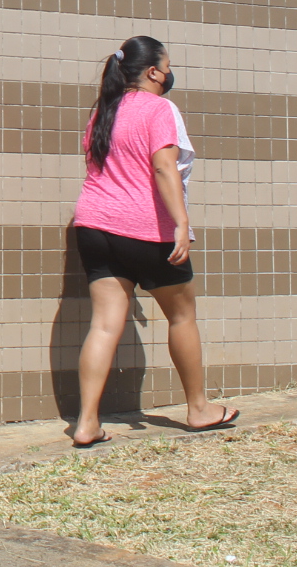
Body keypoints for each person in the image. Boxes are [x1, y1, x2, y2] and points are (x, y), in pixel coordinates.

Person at [68, 35, 237, 447]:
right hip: (146, 228)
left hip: (93, 226)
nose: (169, 73)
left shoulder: (102, 111)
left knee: (105, 325)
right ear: (153, 72)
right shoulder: (159, 108)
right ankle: (199, 409)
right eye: (167, 65)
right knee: (182, 317)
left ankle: (86, 423)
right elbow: (165, 168)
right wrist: (181, 222)